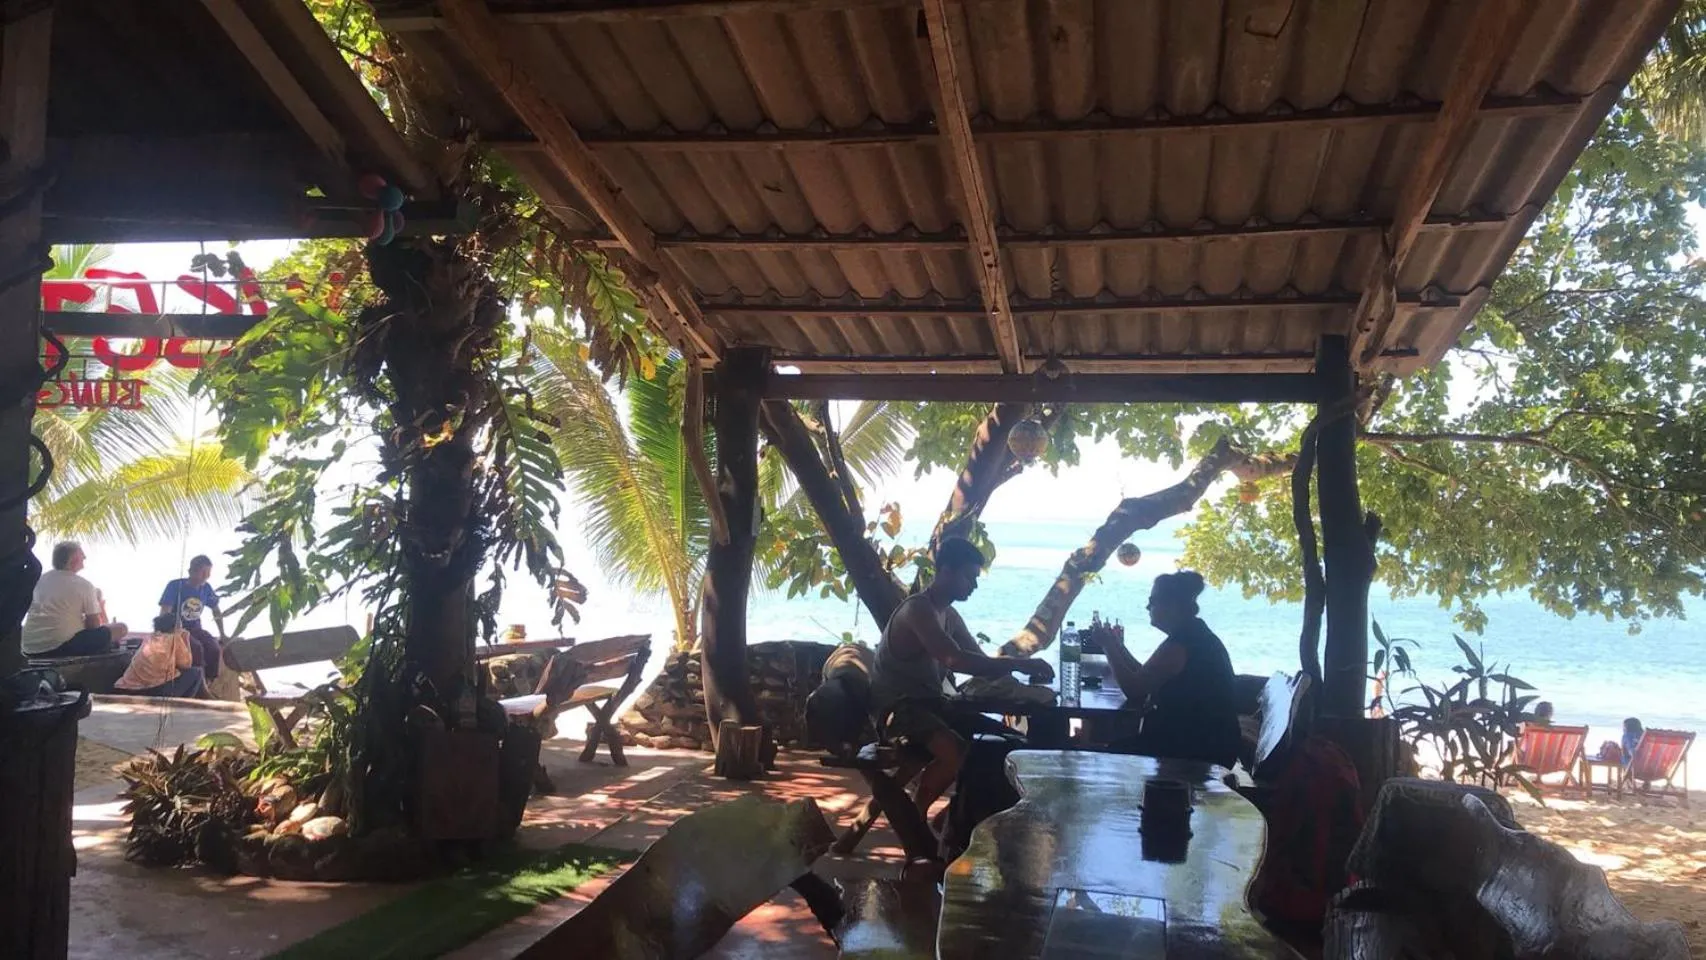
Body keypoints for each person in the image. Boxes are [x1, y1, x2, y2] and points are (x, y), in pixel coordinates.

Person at [870, 537, 1053, 822]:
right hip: (897, 710)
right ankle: (916, 821)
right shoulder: (918, 610)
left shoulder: (948, 615)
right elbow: (955, 659)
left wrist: (1018, 678)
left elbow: (977, 659)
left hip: (929, 706)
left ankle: (953, 818)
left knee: (1006, 743)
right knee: (955, 753)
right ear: (946, 570)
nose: (974, 585)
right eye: (969, 577)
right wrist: (1020, 663)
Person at [1104, 570, 1240, 766]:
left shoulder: (1181, 644)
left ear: (1172, 606)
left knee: (1109, 757)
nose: (1147, 606)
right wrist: (1118, 646)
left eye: (1153, 601)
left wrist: (1108, 646)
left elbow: (1134, 689)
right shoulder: (1193, 634)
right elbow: (1145, 675)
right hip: (1204, 741)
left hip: (1197, 749)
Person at [21, 541, 128, 658]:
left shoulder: (39, 580)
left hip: (29, 648)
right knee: (121, 628)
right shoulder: (84, 585)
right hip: (61, 648)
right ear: (74, 559)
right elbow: (93, 626)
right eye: (82, 555)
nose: (85, 557)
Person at [159, 555, 226, 680]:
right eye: (203, 572)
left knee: (214, 648)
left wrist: (223, 633)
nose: (206, 576)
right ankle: (198, 684)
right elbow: (164, 612)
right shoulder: (175, 586)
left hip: (195, 629)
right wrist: (169, 629)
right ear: (192, 571)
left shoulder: (206, 588)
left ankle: (208, 682)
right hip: (176, 631)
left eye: (208, 573)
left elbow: (216, 611)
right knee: (196, 649)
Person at [114, 614, 208, 699]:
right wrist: (185, 638)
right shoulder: (174, 639)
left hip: (128, 688)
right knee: (197, 672)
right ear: (176, 628)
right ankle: (181, 704)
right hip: (154, 691)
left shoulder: (150, 638)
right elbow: (186, 664)